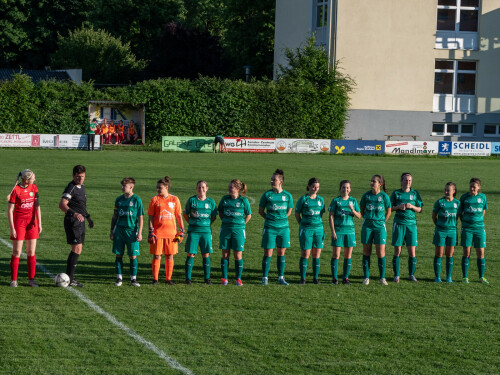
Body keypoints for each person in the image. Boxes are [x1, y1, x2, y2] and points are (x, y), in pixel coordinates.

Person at [59, 165, 94, 287]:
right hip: (73, 222)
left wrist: (88, 217)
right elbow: (62, 204)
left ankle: (69, 278)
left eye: (83, 176)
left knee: (78, 249)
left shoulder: (81, 187)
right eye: (78, 177)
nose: (80, 179)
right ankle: (70, 279)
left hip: (81, 221)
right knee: (76, 248)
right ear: (73, 175)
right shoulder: (71, 187)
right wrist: (75, 214)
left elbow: (81, 206)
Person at [7, 169, 42, 287]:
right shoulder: (15, 190)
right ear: (26, 180)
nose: (35, 180)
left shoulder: (34, 188)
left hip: (32, 223)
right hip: (19, 223)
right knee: (17, 252)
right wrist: (12, 228)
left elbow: (37, 206)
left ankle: (31, 279)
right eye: (33, 178)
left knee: (31, 251)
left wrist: (39, 223)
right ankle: (13, 280)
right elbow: (10, 211)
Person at [148, 176, 184, 285]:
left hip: (171, 234)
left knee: (170, 255)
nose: (158, 190)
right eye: (157, 188)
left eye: (160, 188)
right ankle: (155, 279)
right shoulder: (154, 200)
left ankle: (168, 279)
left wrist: (182, 230)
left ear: (166, 187)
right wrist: (151, 231)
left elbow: (178, 216)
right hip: (158, 233)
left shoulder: (174, 199)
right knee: (157, 255)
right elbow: (150, 217)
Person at [259, 169, 293, 285]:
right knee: (268, 253)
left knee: (281, 252)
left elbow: (289, 210)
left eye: (274, 179)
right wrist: (270, 219)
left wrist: (281, 219)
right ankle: (265, 278)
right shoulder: (267, 195)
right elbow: (260, 211)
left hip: (283, 228)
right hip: (270, 228)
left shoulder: (287, 195)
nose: (272, 181)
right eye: (271, 179)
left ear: (281, 181)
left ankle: (281, 278)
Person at [110, 177, 144, 287]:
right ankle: (119, 278)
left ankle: (133, 279)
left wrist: (139, 233)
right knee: (118, 255)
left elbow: (140, 218)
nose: (122, 187)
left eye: (124, 186)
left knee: (132, 256)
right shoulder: (119, 199)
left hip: (132, 231)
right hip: (119, 231)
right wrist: (112, 231)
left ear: (131, 186)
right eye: (122, 185)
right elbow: (115, 216)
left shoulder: (136, 200)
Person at [390, 172, 423, 283]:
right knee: (397, 250)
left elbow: (420, 209)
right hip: (399, 223)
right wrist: (398, 207)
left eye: (409, 180)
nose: (407, 182)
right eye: (405, 180)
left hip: (411, 225)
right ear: (401, 181)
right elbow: (389, 208)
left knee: (412, 251)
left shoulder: (415, 193)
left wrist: (412, 206)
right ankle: (396, 275)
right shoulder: (396, 193)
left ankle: (411, 275)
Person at [183, 180, 217, 284]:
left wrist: (205, 224)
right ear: (196, 188)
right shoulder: (192, 200)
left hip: (206, 232)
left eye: (203, 187)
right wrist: (193, 223)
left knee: (205, 254)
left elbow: (214, 216)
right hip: (193, 231)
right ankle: (188, 278)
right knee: (191, 254)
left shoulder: (211, 202)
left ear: (207, 188)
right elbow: (185, 214)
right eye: (199, 187)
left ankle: (207, 278)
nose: (201, 189)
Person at [218, 179, 252, 286]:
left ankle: (238, 278)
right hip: (226, 229)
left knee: (238, 255)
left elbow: (248, 215)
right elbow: (220, 212)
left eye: (231, 187)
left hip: (238, 230)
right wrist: (226, 222)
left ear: (237, 189)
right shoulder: (225, 199)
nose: (228, 189)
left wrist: (242, 225)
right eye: (228, 187)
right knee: (225, 254)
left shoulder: (243, 201)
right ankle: (224, 278)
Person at [360, 174, 391, 286]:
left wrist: (382, 221)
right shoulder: (366, 196)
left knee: (380, 252)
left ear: (380, 184)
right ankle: (366, 277)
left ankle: (382, 278)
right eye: (371, 181)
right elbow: (362, 210)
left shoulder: (384, 196)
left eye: (374, 181)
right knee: (366, 251)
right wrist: (368, 219)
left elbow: (389, 211)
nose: (372, 183)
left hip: (380, 227)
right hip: (367, 226)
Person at [328, 180, 361, 285]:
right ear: (340, 189)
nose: (345, 189)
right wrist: (333, 231)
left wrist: (353, 210)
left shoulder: (353, 201)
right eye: (343, 187)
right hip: (338, 230)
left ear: (350, 189)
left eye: (347, 188)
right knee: (336, 254)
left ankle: (345, 278)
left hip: (350, 231)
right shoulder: (336, 200)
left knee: (348, 255)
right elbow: (331, 216)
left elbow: (359, 216)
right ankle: (334, 278)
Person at [295, 178, 325, 284]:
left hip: (318, 230)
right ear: (308, 186)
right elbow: (297, 214)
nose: (315, 188)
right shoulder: (303, 199)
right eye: (313, 186)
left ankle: (315, 278)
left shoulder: (321, 200)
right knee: (305, 254)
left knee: (316, 254)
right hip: (306, 229)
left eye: (317, 187)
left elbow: (321, 214)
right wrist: (303, 224)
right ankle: (303, 278)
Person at [458, 178, 488, 284]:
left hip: (479, 228)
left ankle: (481, 277)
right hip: (467, 228)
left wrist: (478, 221)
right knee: (467, 252)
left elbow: (483, 210)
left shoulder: (483, 197)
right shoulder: (464, 197)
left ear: (479, 187)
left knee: (481, 252)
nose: (471, 189)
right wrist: (466, 222)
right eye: (470, 186)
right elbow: (460, 213)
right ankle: (465, 277)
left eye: (474, 187)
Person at [432, 182, 460, 283]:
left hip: (452, 231)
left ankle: (449, 277)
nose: (446, 192)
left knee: (450, 254)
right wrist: (439, 226)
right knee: (439, 254)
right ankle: (437, 277)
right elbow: (434, 216)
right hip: (440, 231)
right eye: (445, 190)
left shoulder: (457, 203)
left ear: (454, 191)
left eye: (449, 190)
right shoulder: (439, 202)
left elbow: (459, 216)